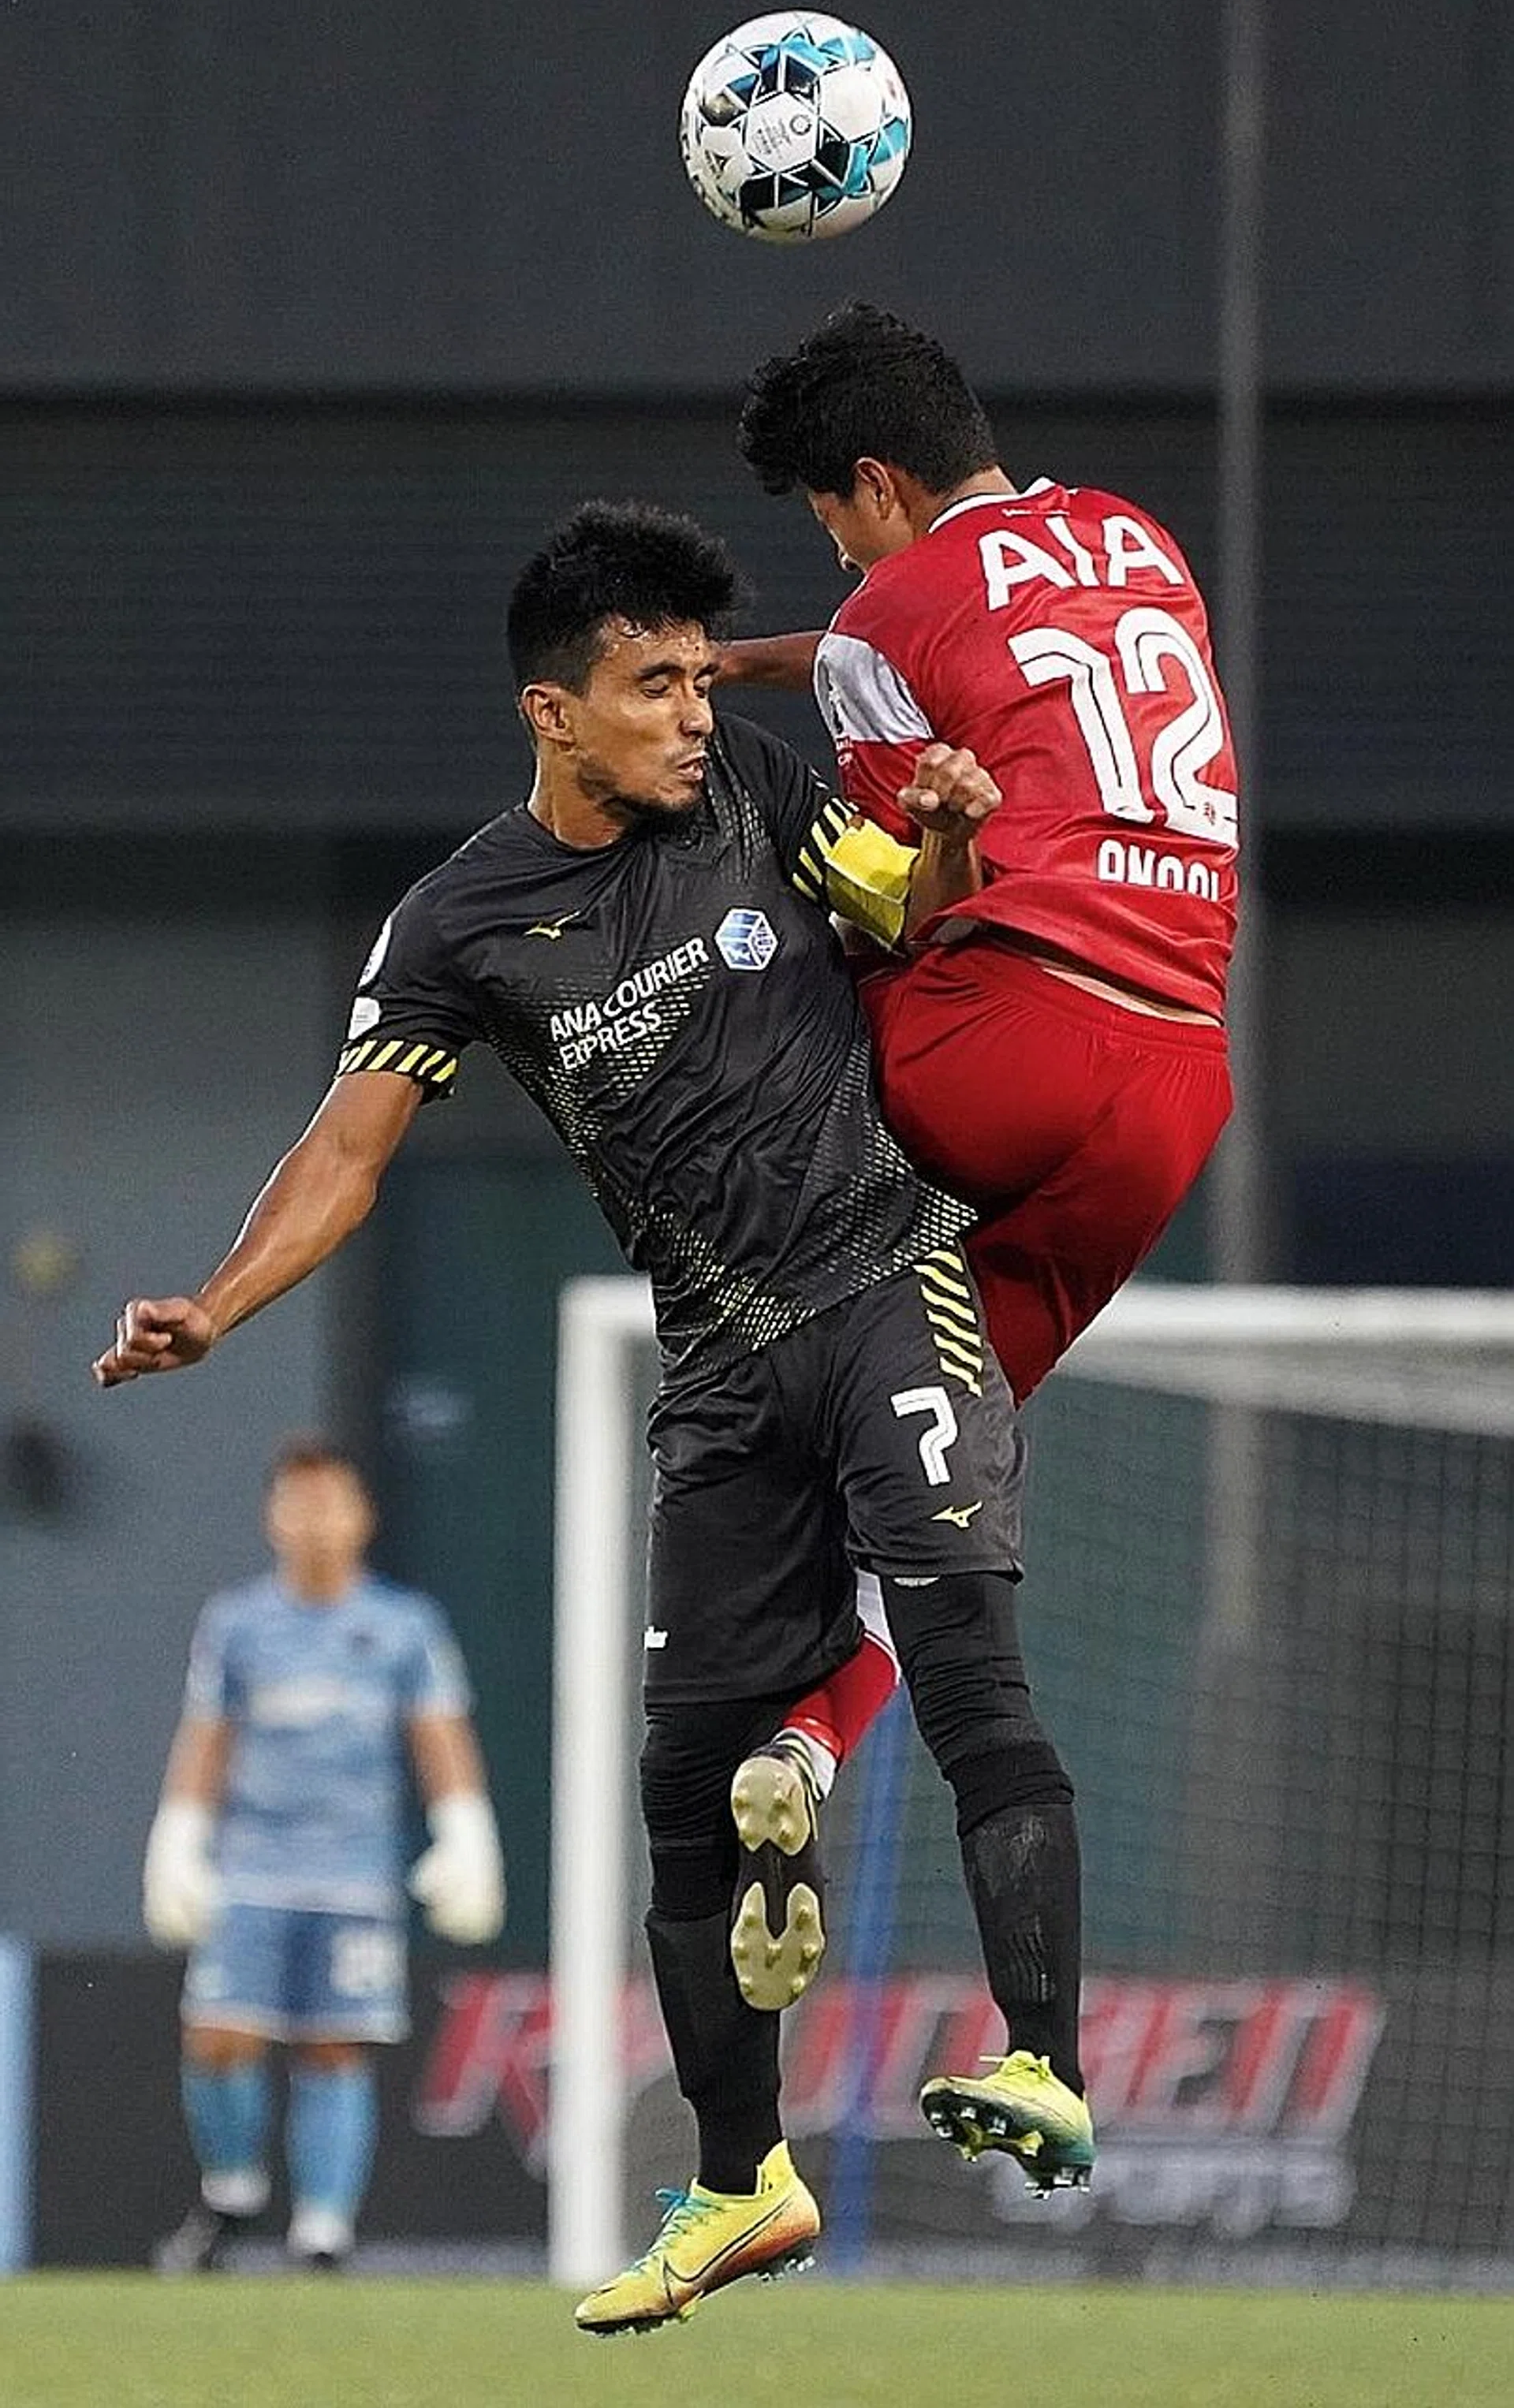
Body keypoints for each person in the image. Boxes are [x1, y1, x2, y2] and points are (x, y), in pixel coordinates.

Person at [95, 500, 1092, 2335]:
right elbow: (345, 1146)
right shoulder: (459, 919)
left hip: (886, 1287)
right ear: (553, 710)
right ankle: (739, 2179)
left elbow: (897, 903)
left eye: (702, 682)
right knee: (678, 1804)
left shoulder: (758, 790)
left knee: (971, 1664)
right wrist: (220, 1304)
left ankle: (1043, 2056)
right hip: (715, 1376)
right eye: (654, 687)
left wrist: (943, 846)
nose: (694, 716)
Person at [718, 300, 1239, 1854]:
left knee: (787, 893)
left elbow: (911, 891)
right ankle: (807, 1746)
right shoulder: (1136, 543)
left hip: (999, 1043)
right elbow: (979, 640)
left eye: (827, 515)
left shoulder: (888, 619)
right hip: (1173, 1080)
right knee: (946, 1448)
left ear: (874, 483)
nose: (833, 551)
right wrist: (757, 651)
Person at [144, 1435, 505, 2274]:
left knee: (335, 2046)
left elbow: (438, 1733)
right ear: (272, 1518)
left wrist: (465, 1832)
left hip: (355, 1875)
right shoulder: (237, 1624)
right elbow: (207, 1737)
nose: (313, 1523)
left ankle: (323, 2233)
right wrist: (179, 1839)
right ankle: (232, 2192)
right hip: (252, 1867)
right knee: (219, 2036)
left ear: (362, 1517)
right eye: (297, 1505)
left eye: (329, 1503)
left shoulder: (403, 1625)